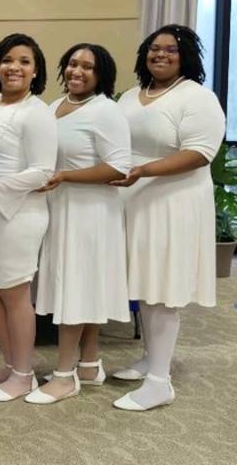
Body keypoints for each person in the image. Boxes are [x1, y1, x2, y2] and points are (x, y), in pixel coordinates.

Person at [111, 24, 224, 411]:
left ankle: (160, 382)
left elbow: (199, 152)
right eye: (154, 49)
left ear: (186, 56)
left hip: (174, 200)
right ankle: (150, 359)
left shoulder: (197, 97)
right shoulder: (131, 95)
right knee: (145, 283)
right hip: (136, 200)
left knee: (163, 289)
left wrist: (144, 171)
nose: (161, 55)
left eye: (171, 50)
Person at [25, 43, 131, 404]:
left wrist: (66, 175)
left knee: (77, 288)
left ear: (101, 74)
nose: (77, 71)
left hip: (91, 213)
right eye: (72, 63)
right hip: (61, 207)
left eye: (88, 67)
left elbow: (120, 167)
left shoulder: (106, 111)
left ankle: (64, 375)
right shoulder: (54, 106)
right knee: (80, 286)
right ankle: (88, 363)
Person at [0, 33, 58, 402]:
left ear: (36, 71)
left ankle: (24, 374)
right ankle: (11, 362)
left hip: (19, 213)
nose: (14, 67)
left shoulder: (38, 113)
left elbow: (42, 172)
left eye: (24, 61)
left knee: (15, 292)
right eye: (7, 59)